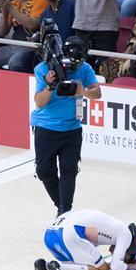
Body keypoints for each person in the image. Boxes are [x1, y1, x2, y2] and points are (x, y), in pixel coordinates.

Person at [30, 35, 101, 217]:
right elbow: (39, 102)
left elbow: (97, 93)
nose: (74, 67)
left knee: (69, 170)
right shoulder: (43, 69)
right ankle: (61, 206)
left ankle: (65, 211)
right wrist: (49, 86)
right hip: (46, 127)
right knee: (44, 171)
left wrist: (82, 91)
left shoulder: (85, 69)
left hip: (72, 129)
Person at [34, 210, 136, 270]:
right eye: (126, 258)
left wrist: (107, 264)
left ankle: (45, 266)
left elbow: (88, 264)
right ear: (129, 249)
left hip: (50, 235)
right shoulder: (126, 235)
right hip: (68, 234)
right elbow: (116, 268)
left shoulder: (111, 230)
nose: (123, 259)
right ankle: (60, 268)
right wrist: (130, 266)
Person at [6, 0, 76, 74]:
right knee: (21, 62)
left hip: (70, 54)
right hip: (52, 55)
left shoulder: (72, 5)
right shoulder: (45, 13)